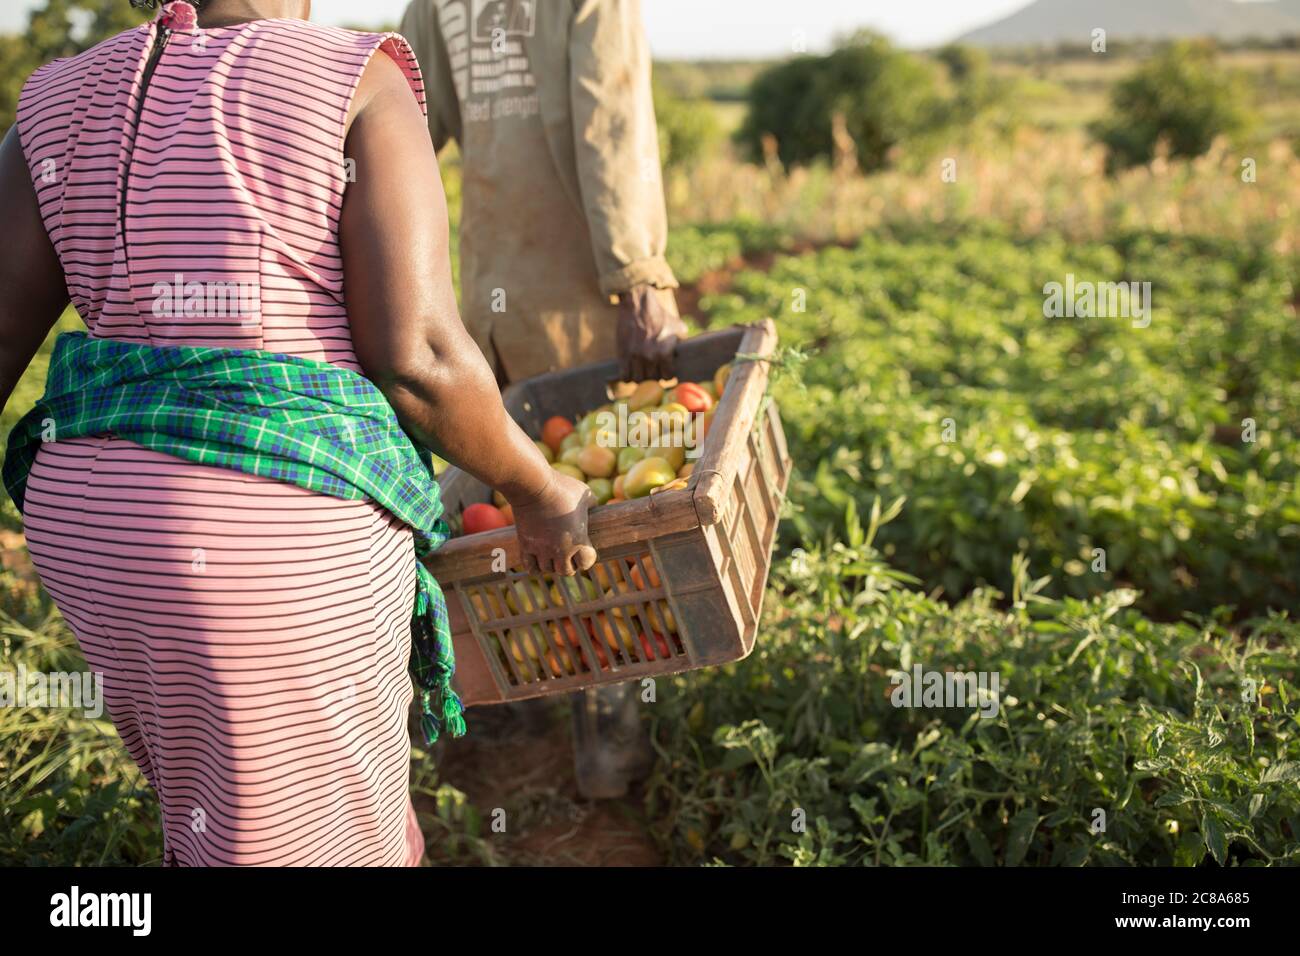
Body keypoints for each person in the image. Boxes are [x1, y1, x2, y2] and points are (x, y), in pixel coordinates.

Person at [0, 0, 595, 866]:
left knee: (216, 815)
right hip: (270, 547)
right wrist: (537, 488)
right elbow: (420, 358)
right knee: (319, 839)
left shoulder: (57, 95)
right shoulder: (354, 80)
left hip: (93, 534)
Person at [399, 0, 687, 799]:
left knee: (513, 492)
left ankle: (511, 703)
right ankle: (607, 738)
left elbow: (402, 118)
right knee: (602, 513)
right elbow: (612, 122)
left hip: (487, 300)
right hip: (579, 300)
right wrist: (639, 274)